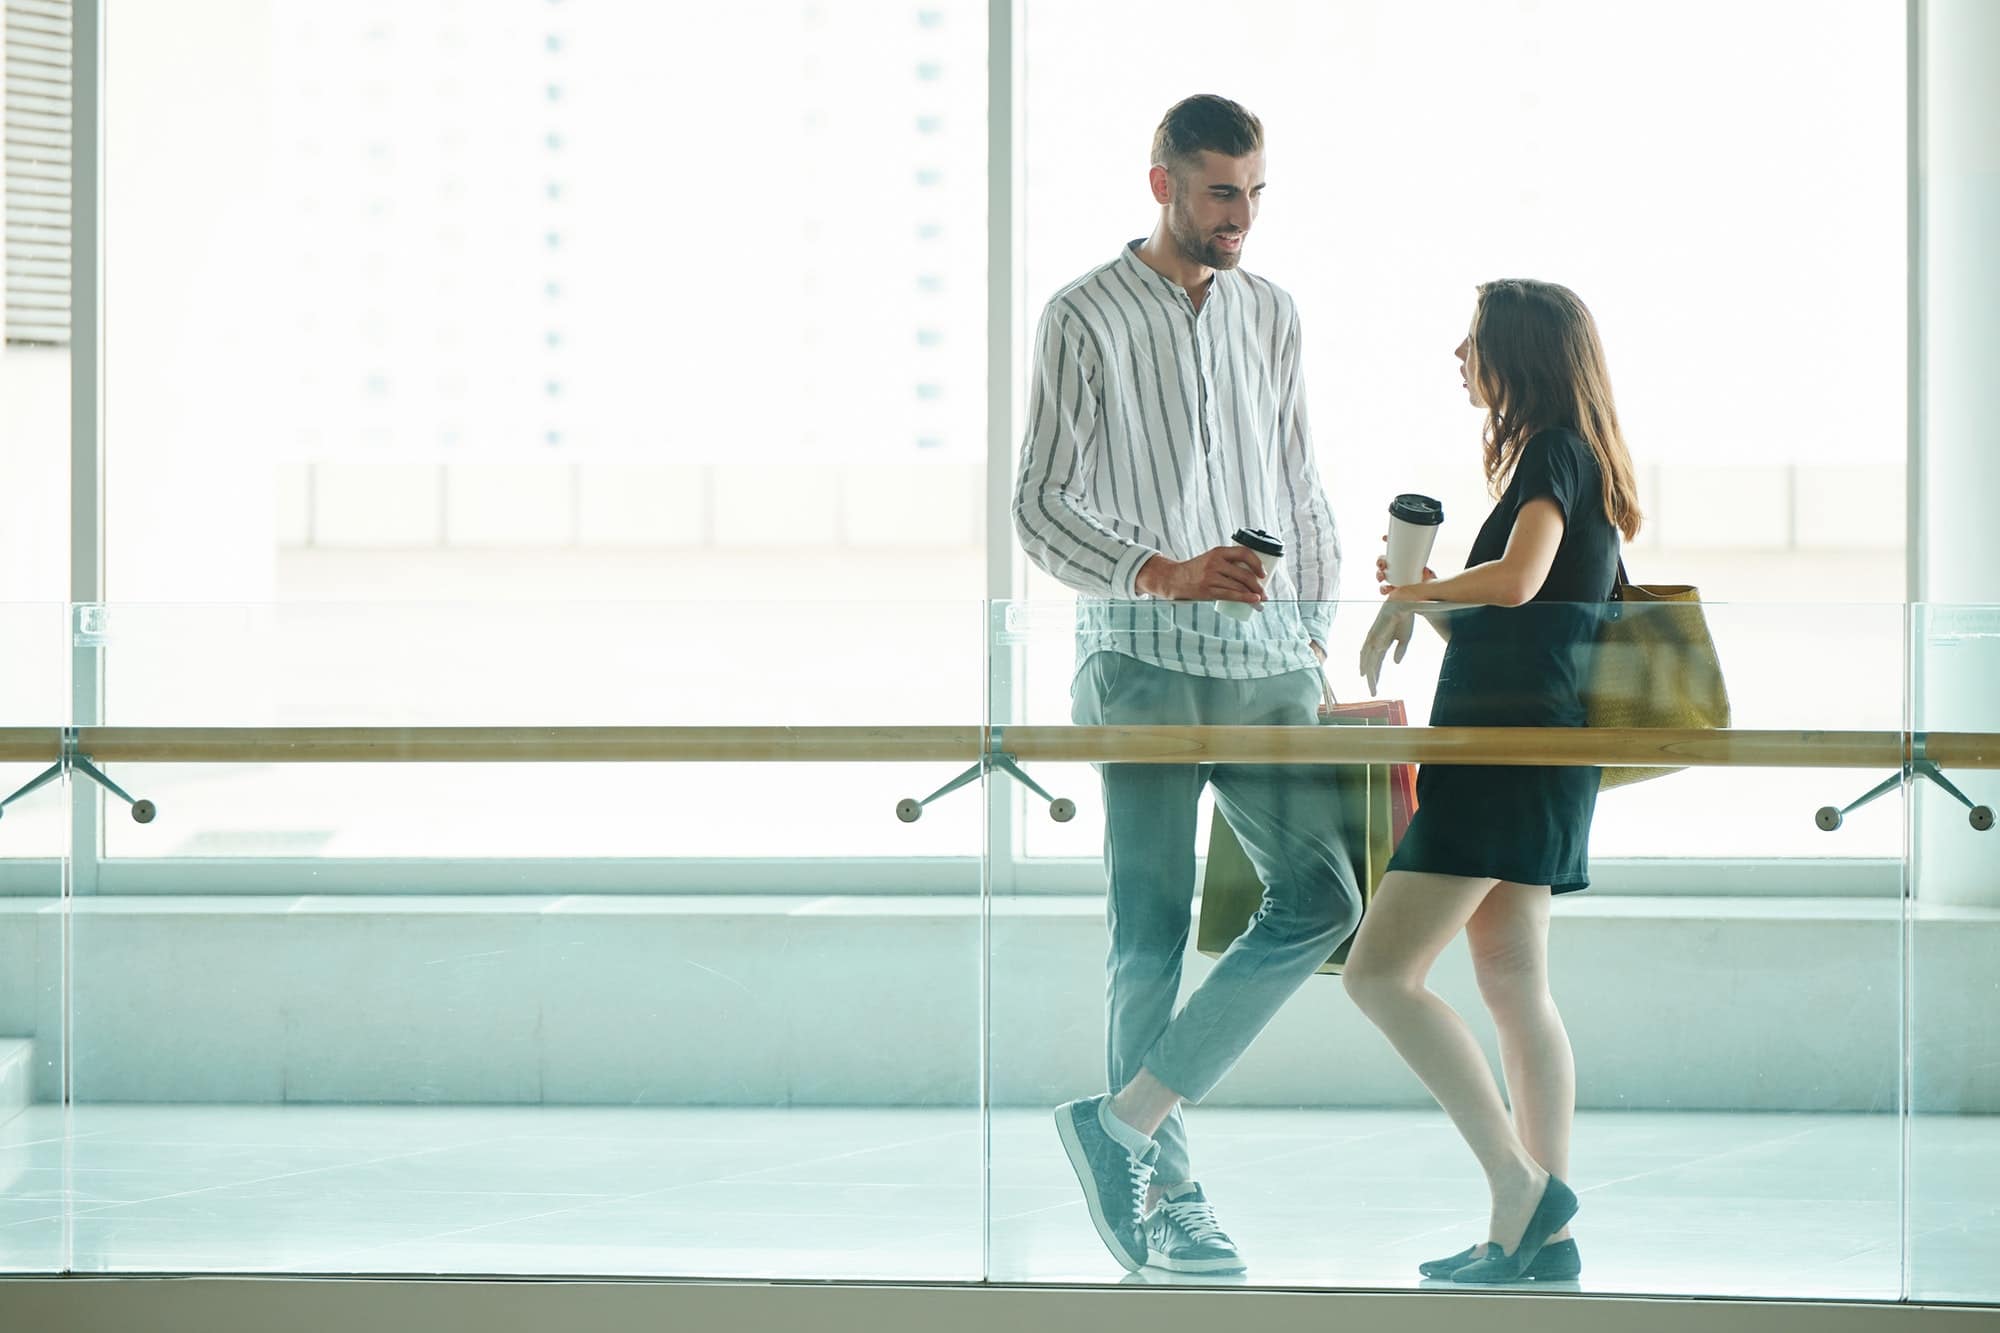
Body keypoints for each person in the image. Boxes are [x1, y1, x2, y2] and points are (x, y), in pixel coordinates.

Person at [1012, 93, 1360, 1278]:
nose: (1240, 217)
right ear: (1160, 182)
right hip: (1141, 667)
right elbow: (1039, 506)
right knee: (1148, 935)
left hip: (1270, 672)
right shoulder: (1084, 315)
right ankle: (1165, 1198)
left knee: (1323, 902)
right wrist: (1160, 572)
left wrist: (1313, 636)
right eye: (1220, 192)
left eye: (1255, 193)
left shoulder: (1271, 311)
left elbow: (1301, 484)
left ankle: (1117, 1125)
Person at [1348, 279, 1641, 1283]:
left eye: (1471, 340)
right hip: (1538, 751)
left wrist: (1427, 587)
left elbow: (1516, 582)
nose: (1456, 355)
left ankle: (1517, 1185)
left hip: (1501, 755)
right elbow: (1524, 616)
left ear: (1516, 352)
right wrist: (1422, 598)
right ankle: (1539, 1234)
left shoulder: (1553, 451)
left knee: (1377, 973)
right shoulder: (1576, 456)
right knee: (1516, 987)